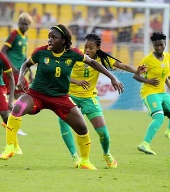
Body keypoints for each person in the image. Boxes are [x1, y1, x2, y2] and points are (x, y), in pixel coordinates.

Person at [0, 24, 124, 170]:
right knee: (17, 108)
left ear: (63, 40)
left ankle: (84, 161)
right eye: (49, 37)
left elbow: (94, 63)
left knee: (82, 128)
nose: (50, 40)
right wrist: (21, 78)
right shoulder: (41, 52)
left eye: (54, 37)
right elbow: (26, 64)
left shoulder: (73, 53)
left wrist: (112, 78)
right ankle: (10, 147)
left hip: (60, 97)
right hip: (37, 94)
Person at [58, 33, 146, 168]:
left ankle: (106, 153)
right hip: (70, 96)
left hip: (89, 97)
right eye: (86, 47)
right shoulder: (76, 55)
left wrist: (137, 71)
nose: (87, 50)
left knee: (103, 132)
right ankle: (75, 156)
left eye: (91, 48)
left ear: (98, 48)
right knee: (64, 124)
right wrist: (76, 81)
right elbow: (60, 73)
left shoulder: (102, 58)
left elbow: (123, 66)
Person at [133, 32, 170, 156]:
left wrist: (169, 85)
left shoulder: (166, 57)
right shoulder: (148, 60)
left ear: (165, 44)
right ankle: (144, 144)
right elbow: (135, 75)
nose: (159, 47)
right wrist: (148, 80)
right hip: (149, 92)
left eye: (161, 45)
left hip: (162, 92)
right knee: (159, 117)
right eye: (156, 45)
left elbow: (164, 74)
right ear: (153, 45)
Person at [1, 12, 33, 136]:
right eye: (21, 23)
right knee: (21, 96)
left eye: (26, 24)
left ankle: (9, 121)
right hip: (12, 71)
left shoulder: (25, 38)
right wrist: (11, 67)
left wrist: (30, 71)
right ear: (18, 23)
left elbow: (23, 56)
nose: (23, 26)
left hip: (19, 72)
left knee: (21, 96)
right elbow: (3, 50)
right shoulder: (14, 34)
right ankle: (13, 125)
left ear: (29, 25)